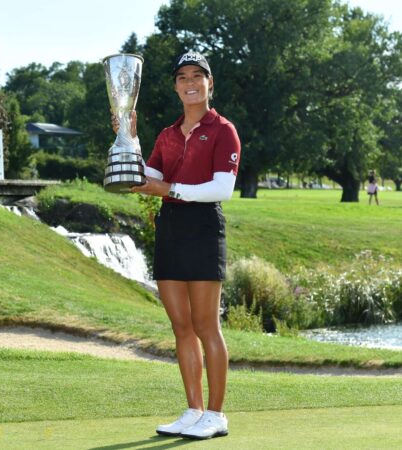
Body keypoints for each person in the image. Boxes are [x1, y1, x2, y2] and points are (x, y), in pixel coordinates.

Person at [113, 51, 240, 440]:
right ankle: (193, 410)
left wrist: (169, 189)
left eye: (197, 76)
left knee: (206, 325)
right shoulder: (167, 135)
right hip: (170, 228)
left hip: (203, 227)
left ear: (209, 84)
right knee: (181, 325)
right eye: (182, 77)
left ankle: (216, 415)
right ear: (175, 86)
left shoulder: (223, 130)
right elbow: (145, 176)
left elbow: (223, 188)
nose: (190, 82)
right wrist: (127, 139)